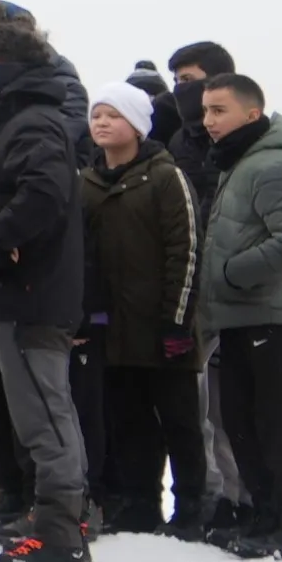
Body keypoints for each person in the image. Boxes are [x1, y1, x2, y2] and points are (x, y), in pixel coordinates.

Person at [0, 23, 93, 562]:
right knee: (39, 415)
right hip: (16, 299)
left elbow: (43, 192)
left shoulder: (34, 122)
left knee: (46, 415)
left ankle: (62, 533)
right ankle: (55, 519)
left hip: (31, 298)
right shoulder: (17, 122)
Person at [194, 72, 282, 561]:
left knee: (276, 423)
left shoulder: (268, 165)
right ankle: (264, 517)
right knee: (241, 420)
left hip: (271, 317)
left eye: (218, 110)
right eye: (205, 111)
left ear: (252, 113)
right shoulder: (239, 162)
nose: (208, 121)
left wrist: (231, 273)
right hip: (240, 316)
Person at [79, 80, 201, 537]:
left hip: (163, 327)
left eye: (113, 115)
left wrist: (178, 322)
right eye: (97, 116)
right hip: (111, 329)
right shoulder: (86, 183)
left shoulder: (166, 176)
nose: (103, 123)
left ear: (137, 124)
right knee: (126, 421)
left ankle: (191, 507)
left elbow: (185, 249)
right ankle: (138, 502)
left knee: (179, 421)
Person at [160, 40, 237, 211]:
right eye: (177, 81)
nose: (179, 89)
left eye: (187, 79)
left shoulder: (247, 134)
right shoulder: (179, 141)